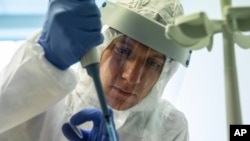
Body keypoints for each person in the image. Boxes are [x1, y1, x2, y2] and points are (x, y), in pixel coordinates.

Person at [0, 0, 190, 140]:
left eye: (153, 63)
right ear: (101, 47)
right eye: (123, 51)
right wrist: (41, 65)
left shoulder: (169, 128)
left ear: (166, 71)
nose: (131, 77)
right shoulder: (47, 96)